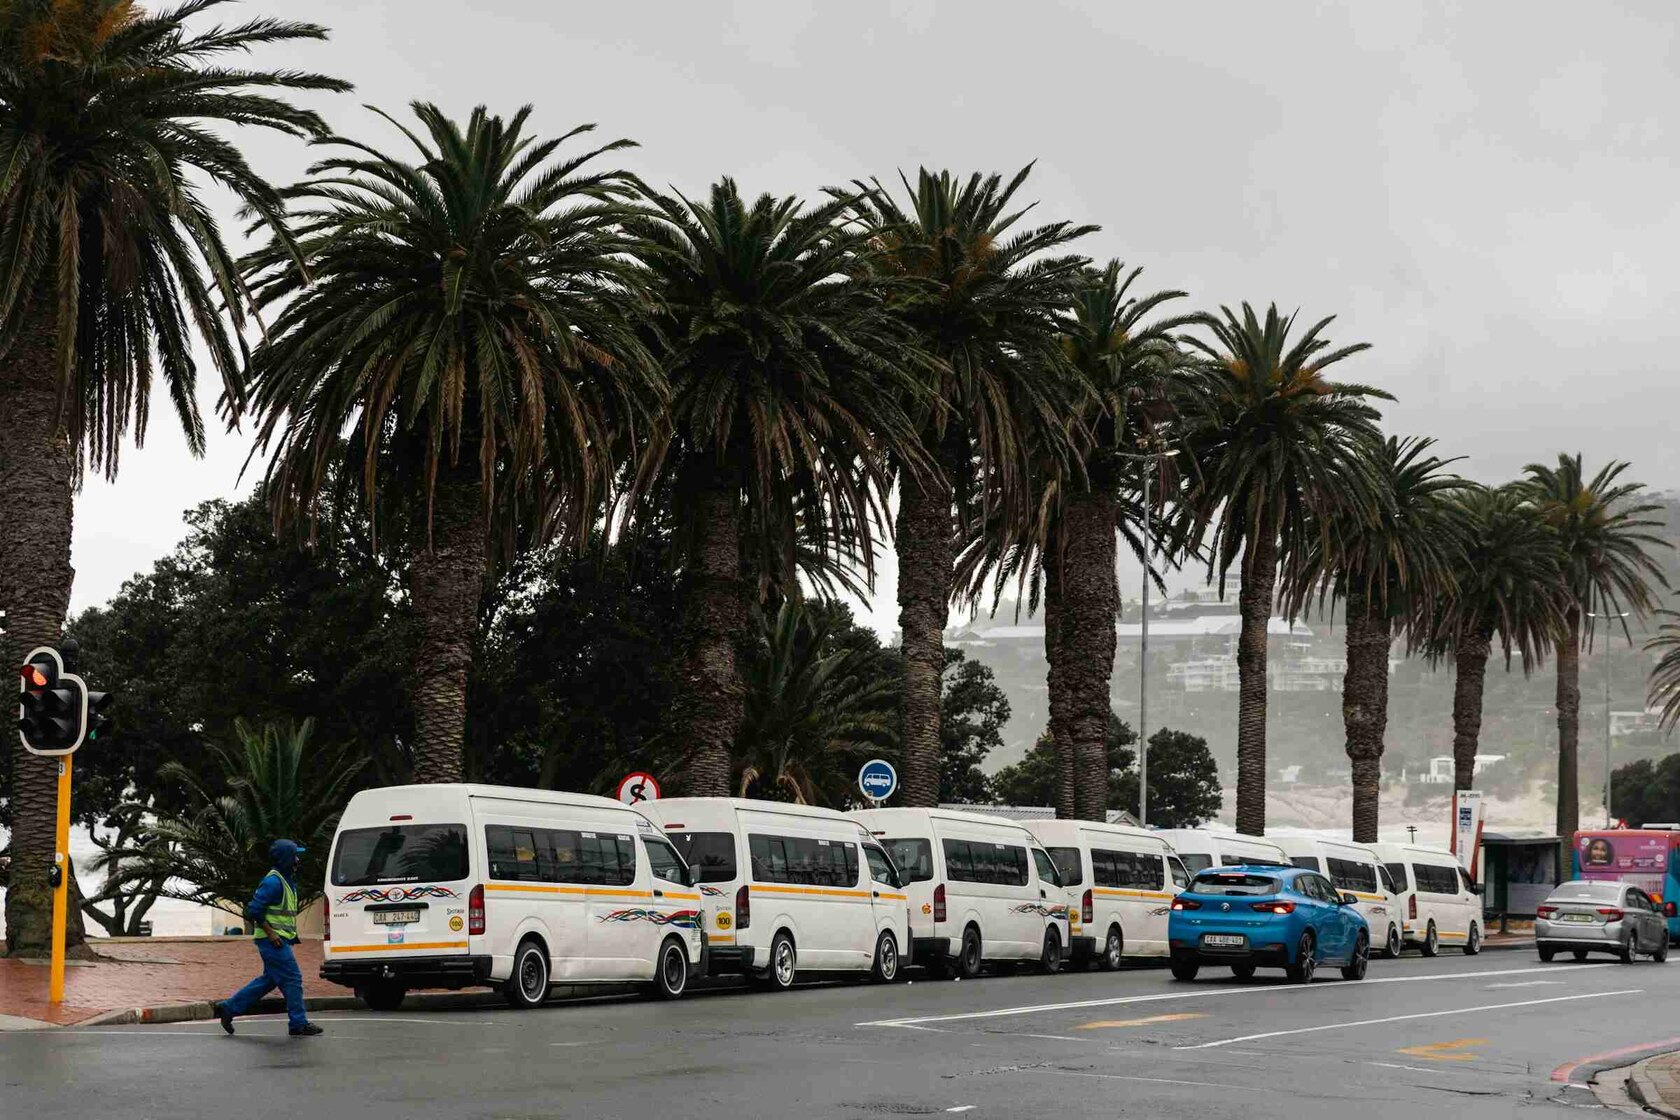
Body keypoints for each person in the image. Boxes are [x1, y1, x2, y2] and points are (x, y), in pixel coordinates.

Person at [214, 839, 322, 1037]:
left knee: (269, 980)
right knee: (293, 978)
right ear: (286, 859)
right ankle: (298, 1023)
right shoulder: (274, 882)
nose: (298, 860)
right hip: (273, 941)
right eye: (294, 856)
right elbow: (254, 909)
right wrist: (271, 933)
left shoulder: (285, 880)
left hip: (279, 940)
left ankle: (228, 1008)